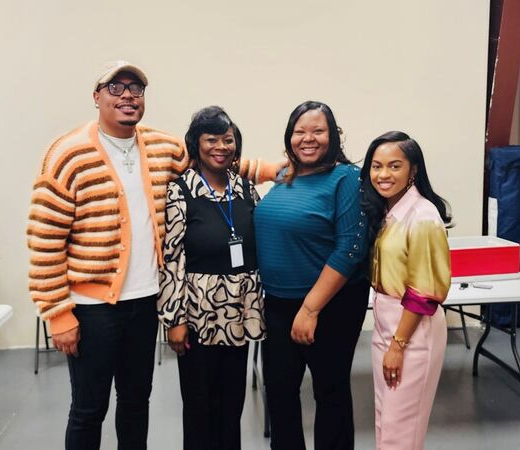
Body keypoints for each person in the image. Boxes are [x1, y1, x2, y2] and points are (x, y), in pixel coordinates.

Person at [26, 61, 274, 450]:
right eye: (116, 87)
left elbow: (214, 158)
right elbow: (44, 240)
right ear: (97, 97)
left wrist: (271, 169)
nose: (128, 95)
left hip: (144, 302)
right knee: (89, 409)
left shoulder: (161, 146)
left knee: (135, 402)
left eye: (136, 89)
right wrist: (58, 314)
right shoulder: (67, 153)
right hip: (93, 308)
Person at [253, 101, 370, 450]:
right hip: (277, 302)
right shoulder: (284, 174)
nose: (308, 139)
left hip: (330, 304)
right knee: (279, 391)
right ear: (289, 137)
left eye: (318, 131)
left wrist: (310, 309)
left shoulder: (346, 178)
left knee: (329, 391)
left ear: (333, 136)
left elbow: (350, 248)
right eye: (299, 132)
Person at [157, 106, 265, 450]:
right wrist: (174, 319)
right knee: (200, 406)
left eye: (228, 139)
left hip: (240, 311)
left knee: (232, 406)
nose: (221, 146)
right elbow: (172, 258)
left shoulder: (247, 190)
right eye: (212, 138)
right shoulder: (181, 191)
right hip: (198, 313)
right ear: (196, 143)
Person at [360, 131, 452, 450]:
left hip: (412, 329)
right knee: (386, 422)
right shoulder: (388, 211)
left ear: (412, 170)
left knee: (402, 431)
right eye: (376, 166)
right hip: (386, 321)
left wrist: (398, 346)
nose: (383, 175)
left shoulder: (423, 216)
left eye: (394, 166)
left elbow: (424, 291)